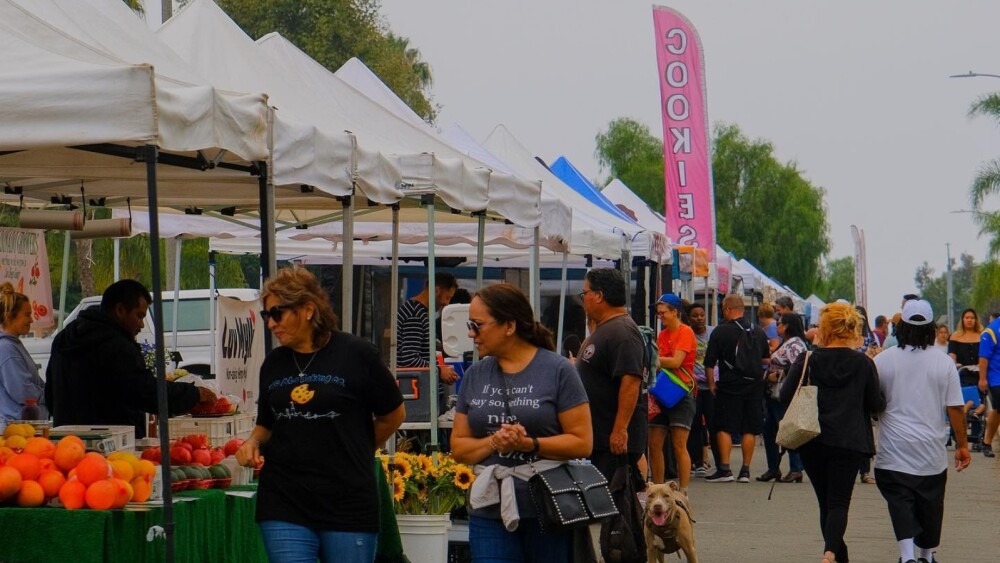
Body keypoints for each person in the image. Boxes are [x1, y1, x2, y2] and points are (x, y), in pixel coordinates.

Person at [236, 267, 405, 563]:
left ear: (309, 310)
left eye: (278, 313)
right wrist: (251, 441)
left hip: (347, 500)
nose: (271, 324)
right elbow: (267, 423)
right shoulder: (273, 364)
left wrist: (358, 449)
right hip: (284, 499)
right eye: (266, 316)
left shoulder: (356, 354)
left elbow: (393, 414)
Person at [452, 283, 591, 562]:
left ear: (509, 325)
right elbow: (458, 447)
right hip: (489, 509)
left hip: (548, 508)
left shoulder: (558, 370)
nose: (471, 334)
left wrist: (529, 444)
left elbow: (583, 442)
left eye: (477, 325)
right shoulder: (475, 374)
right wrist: (494, 441)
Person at [778, 302, 885, 563]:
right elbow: (876, 405)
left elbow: (784, 396)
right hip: (849, 441)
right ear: (852, 329)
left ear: (824, 328)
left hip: (812, 438)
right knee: (838, 502)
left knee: (825, 502)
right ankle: (830, 555)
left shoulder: (809, 359)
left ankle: (834, 555)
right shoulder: (863, 363)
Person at [44, 279, 212, 438]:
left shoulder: (64, 338)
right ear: (120, 310)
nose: (141, 325)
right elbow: (146, 392)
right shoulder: (117, 346)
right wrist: (192, 393)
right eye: (139, 316)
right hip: (112, 444)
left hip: (66, 442)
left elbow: (50, 395)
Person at [873, 299, 970, 563]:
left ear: (901, 326)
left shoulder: (883, 361)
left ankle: (907, 556)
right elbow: (955, 409)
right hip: (931, 450)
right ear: (930, 329)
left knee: (900, 500)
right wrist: (962, 444)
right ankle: (926, 556)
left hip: (893, 450)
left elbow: (872, 401)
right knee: (930, 503)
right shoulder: (943, 363)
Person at [575, 268, 647, 480]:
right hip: (600, 436)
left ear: (599, 295)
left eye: (584, 294)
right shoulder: (607, 328)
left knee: (615, 503)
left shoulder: (623, 332)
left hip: (612, 440)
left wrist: (619, 430)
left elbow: (631, 380)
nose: (583, 300)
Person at [703, 294, 769, 483]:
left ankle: (725, 469)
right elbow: (765, 358)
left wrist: (712, 384)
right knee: (750, 428)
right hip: (754, 385)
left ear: (728, 309)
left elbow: (709, 362)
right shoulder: (758, 331)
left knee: (723, 426)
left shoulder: (720, 332)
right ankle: (745, 471)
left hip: (729, 385)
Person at [648, 293, 696, 494]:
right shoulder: (663, 335)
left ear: (675, 312)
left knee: (678, 445)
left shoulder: (686, 332)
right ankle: (659, 488)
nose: (660, 316)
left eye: (663, 312)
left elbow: (676, 361)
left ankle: (683, 490)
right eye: (658, 313)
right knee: (654, 443)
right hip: (662, 392)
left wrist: (654, 360)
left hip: (681, 394)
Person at [758, 313, 808, 483]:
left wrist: (778, 374)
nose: (776, 327)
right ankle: (773, 468)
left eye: (779, 324)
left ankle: (795, 468)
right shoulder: (787, 343)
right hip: (774, 394)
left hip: (784, 394)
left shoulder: (794, 345)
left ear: (786, 326)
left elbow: (798, 368)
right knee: (769, 429)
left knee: (787, 429)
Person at [396, 272, 460, 384]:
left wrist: (440, 347)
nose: (446, 303)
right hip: (416, 389)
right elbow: (410, 359)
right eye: (447, 297)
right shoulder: (415, 314)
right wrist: (439, 370)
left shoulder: (418, 311)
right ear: (436, 290)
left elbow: (417, 344)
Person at [0, 283, 47, 428]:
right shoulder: (7, 348)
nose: (31, 320)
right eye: (27, 315)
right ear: (9, 316)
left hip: (23, 426)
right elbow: (23, 392)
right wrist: (46, 395)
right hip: (15, 429)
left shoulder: (13, 346)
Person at [685, 302, 717, 477]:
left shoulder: (713, 333)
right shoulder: (687, 334)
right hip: (693, 387)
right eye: (695, 315)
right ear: (689, 318)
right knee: (695, 425)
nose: (699, 318)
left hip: (712, 386)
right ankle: (698, 462)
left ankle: (720, 462)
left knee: (714, 424)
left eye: (702, 315)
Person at [977, 310, 1000, 458]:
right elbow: (984, 357)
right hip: (996, 377)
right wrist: (982, 378)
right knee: (998, 408)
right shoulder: (992, 330)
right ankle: (987, 442)